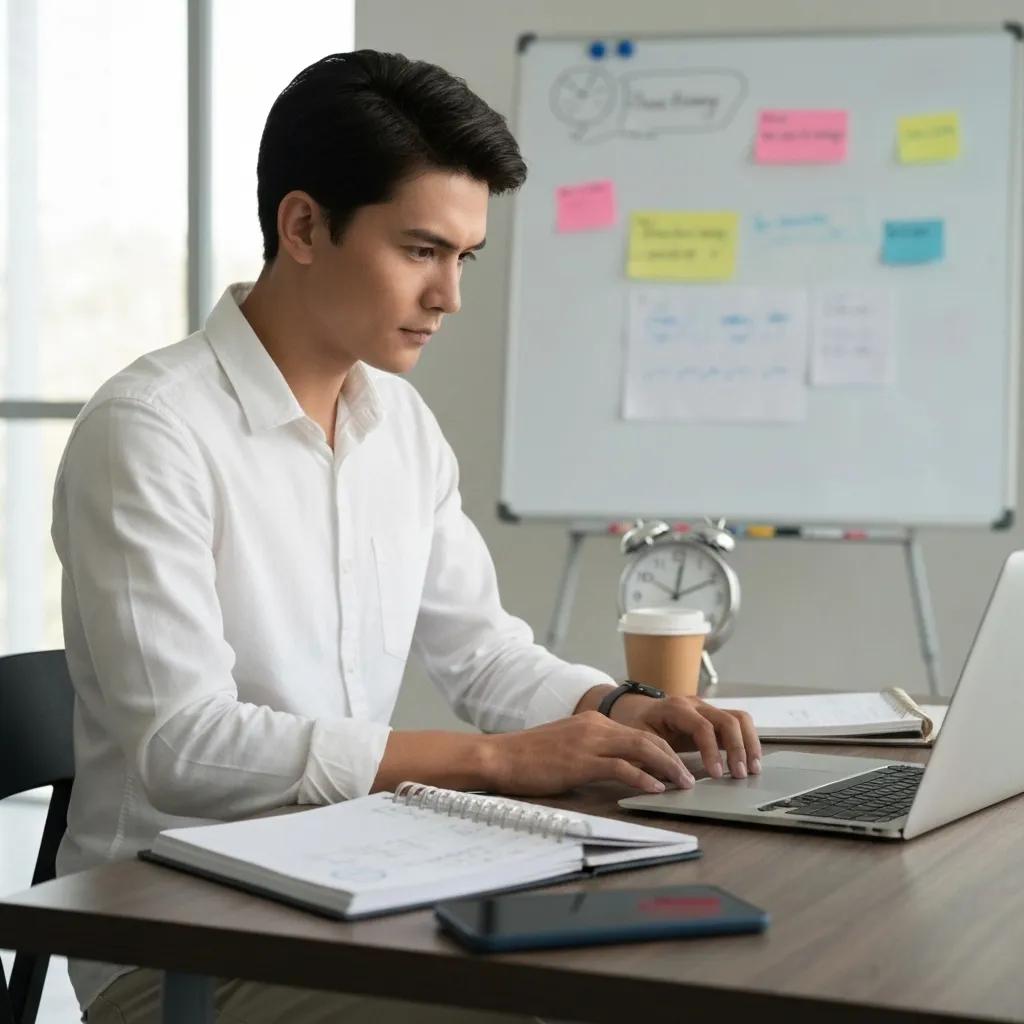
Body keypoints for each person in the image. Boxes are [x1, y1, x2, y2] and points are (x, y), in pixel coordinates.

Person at [52, 50, 761, 1023]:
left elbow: (479, 650)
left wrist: (613, 707)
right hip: (177, 936)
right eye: (420, 250)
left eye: (462, 258)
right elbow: (184, 743)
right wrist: (498, 762)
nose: (449, 297)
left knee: (679, 960)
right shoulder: (150, 429)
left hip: (362, 886)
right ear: (303, 225)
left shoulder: (401, 426)